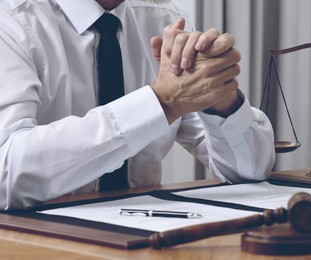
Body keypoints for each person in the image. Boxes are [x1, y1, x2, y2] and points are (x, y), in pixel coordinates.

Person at [0, 0, 275, 210]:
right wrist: (161, 103)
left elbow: (248, 171)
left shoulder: (163, 19)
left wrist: (220, 102)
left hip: (145, 239)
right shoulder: (9, 22)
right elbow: (7, 173)